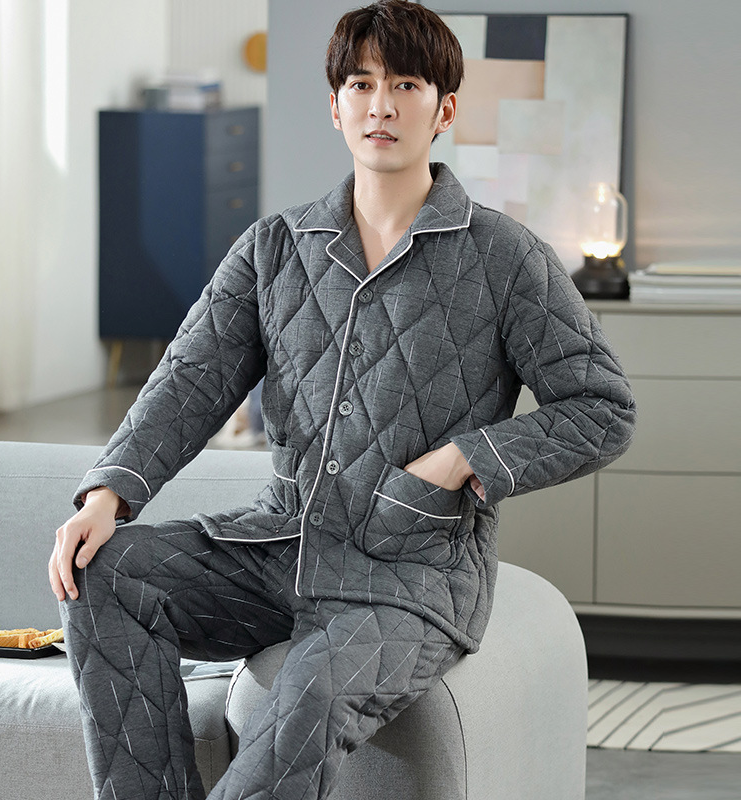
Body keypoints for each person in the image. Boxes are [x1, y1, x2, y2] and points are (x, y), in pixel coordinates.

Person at [50, 2, 636, 798]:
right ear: (335, 106)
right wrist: (107, 495)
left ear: (444, 110)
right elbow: (188, 380)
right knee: (103, 571)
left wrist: (462, 458)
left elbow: (603, 407)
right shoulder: (274, 247)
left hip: (411, 574)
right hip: (277, 550)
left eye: (405, 85)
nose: (380, 105)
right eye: (360, 85)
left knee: (308, 696)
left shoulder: (505, 257)